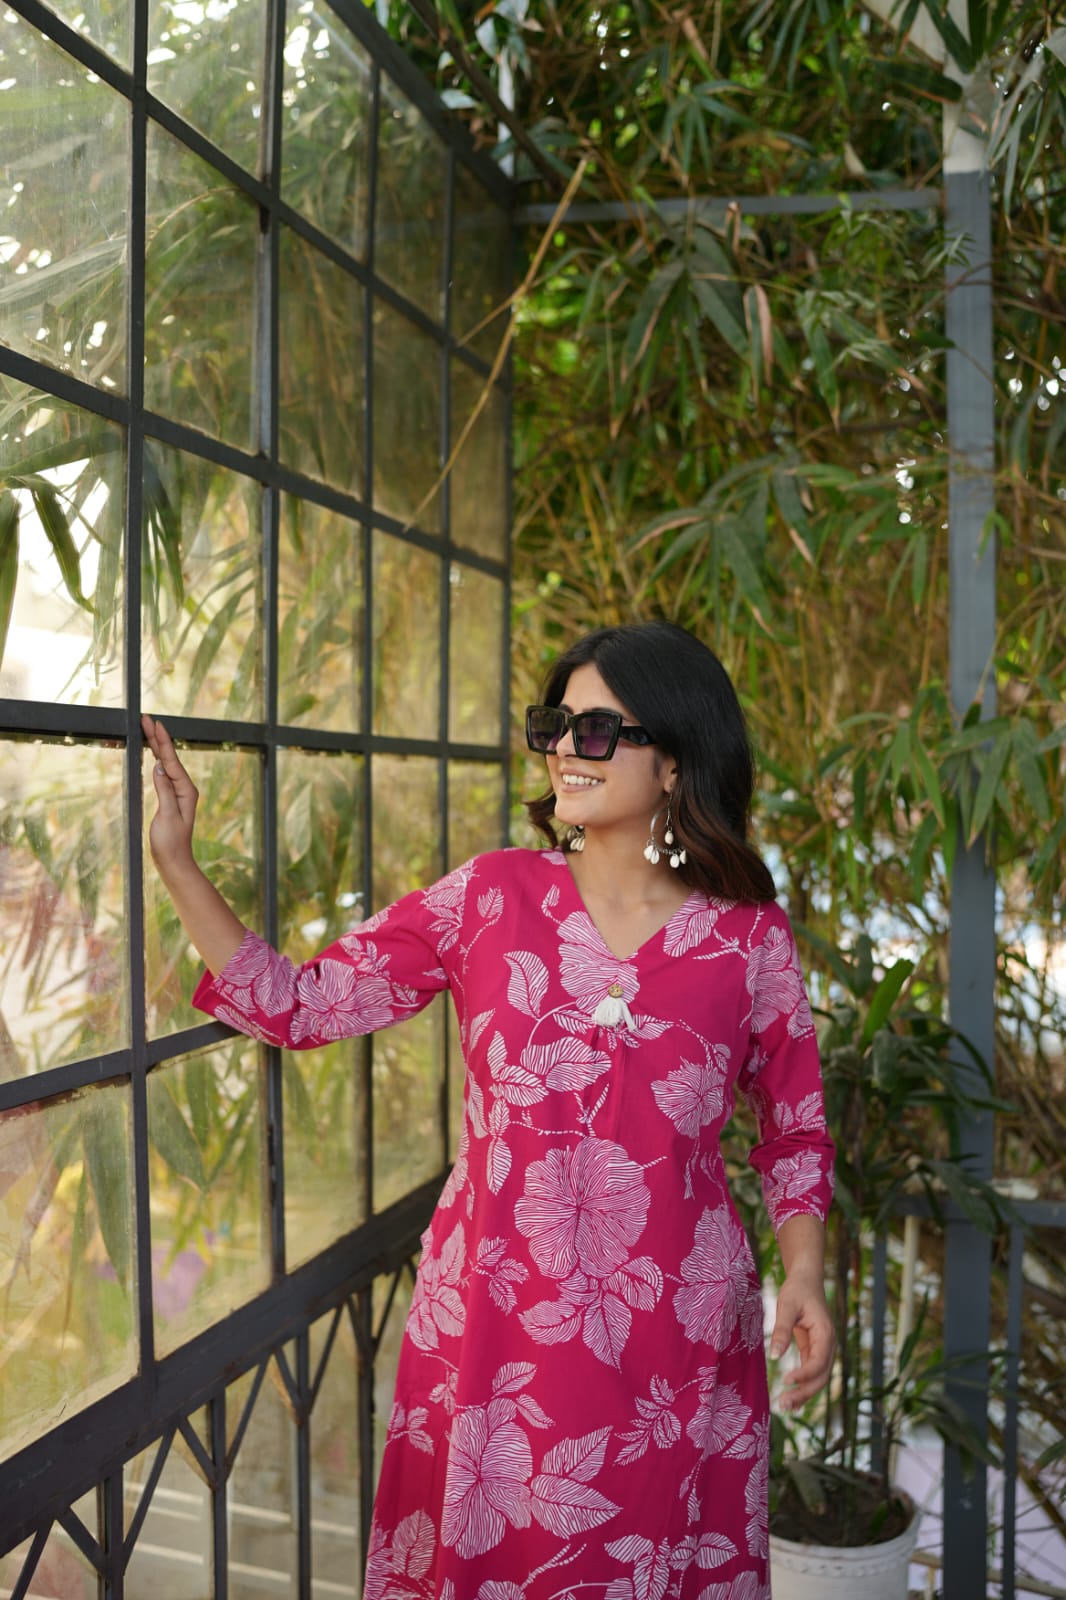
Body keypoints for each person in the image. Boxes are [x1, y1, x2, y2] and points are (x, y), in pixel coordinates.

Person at [143, 619, 835, 1600]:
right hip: (495, 1324)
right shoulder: (489, 897)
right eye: (555, 725)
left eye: (599, 730)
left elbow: (795, 1131)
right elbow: (299, 1005)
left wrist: (803, 1273)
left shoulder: (747, 939)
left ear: (676, 761)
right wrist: (176, 859)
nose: (566, 750)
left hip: (672, 1337)